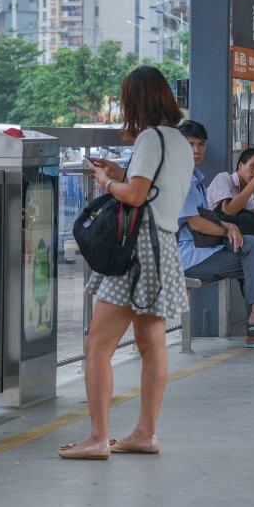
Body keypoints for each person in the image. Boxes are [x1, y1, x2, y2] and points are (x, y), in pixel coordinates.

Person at [59, 66, 193, 460]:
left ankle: (97, 437)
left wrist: (107, 183)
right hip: (164, 246)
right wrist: (120, 172)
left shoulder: (150, 137)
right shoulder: (180, 141)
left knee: (97, 346)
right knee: (153, 345)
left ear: (138, 101)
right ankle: (145, 433)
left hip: (136, 250)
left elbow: (135, 196)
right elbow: (155, 187)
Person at [175, 121, 254, 348]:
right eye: (190, 144)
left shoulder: (196, 180)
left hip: (205, 250)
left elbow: (219, 216)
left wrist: (231, 227)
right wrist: (228, 229)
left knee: (252, 247)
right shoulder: (180, 179)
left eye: (201, 144)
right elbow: (197, 223)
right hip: (187, 257)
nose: (196, 150)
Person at [206, 146, 254, 324]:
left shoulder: (244, 190)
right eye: (253, 166)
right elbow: (229, 209)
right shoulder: (223, 179)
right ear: (240, 165)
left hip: (233, 241)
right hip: (214, 239)